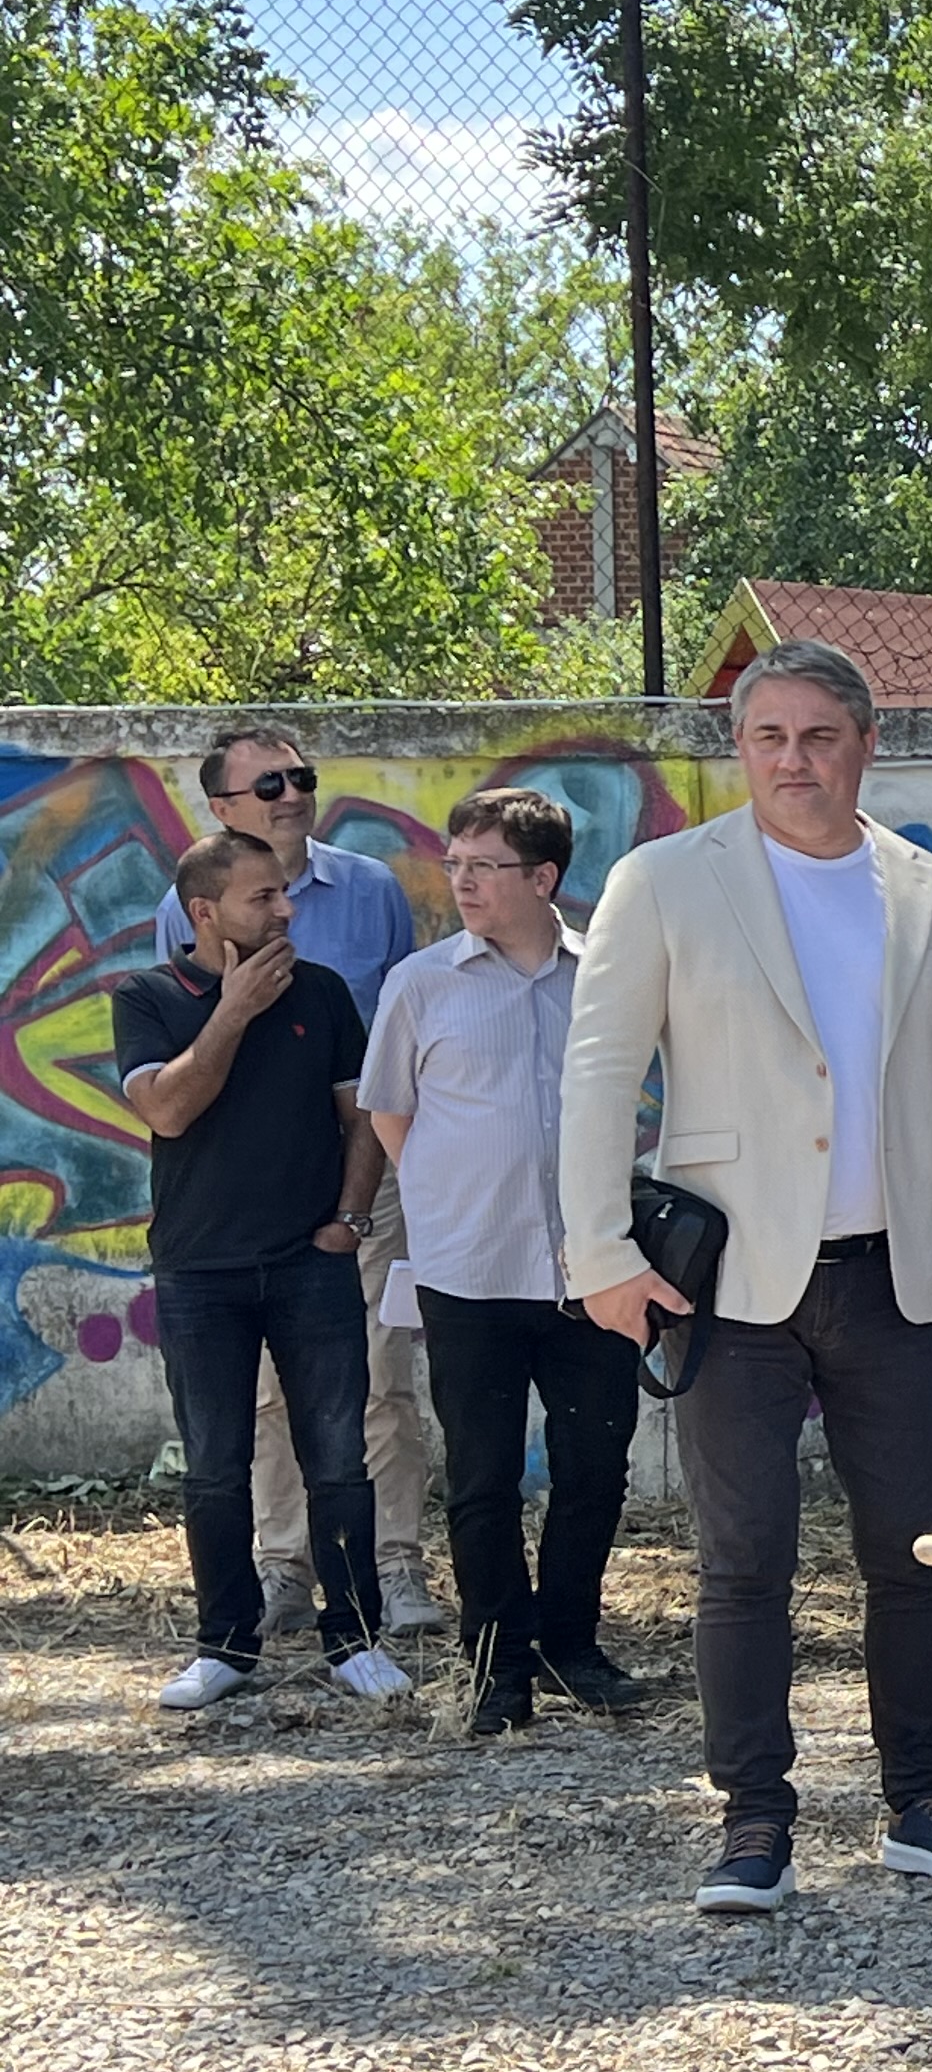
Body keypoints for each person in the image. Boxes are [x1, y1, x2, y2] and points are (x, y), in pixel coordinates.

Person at [560, 637, 932, 1914]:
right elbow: (598, 1075)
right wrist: (599, 1253)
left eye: (819, 736)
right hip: (726, 1283)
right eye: (767, 737)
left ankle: (922, 1803)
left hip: (898, 1280)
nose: (793, 761)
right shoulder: (665, 882)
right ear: (740, 750)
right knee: (743, 1560)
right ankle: (754, 1820)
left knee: (915, 1552)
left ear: (867, 744)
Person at [358, 788, 648, 1736]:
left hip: (591, 1272)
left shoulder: (607, 978)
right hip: (470, 1272)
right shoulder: (422, 984)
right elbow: (391, 1112)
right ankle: (495, 1665)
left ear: (544, 877)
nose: (463, 882)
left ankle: (571, 1644)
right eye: (456, 864)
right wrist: (455, 1194)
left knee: (593, 1468)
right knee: (482, 1478)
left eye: (485, 866)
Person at [149, 724, 440, 1643]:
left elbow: (395, 1033)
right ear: (222, 808)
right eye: (268, 784)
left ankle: (394, 1565)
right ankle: (283, 1567)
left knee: (381, 1375)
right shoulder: (187, 903)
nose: (292, 795)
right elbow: (187, 1044)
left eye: (301, 777)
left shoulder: (370, 889)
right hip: (253, 1189)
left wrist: (366, 1190)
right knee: (269, 1391)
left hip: (361, 1169)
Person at [119, 830, 417, 1712]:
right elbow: (167, 1111)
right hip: (198, 1271)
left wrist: (349, 1221)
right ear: (205, 913)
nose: (286, 910)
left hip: (309, 1264)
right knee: (215, 1466)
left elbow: (361, 1115)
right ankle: (225, 1646)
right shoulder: (147, 997)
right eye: (263, 898)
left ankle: (355, 1640)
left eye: (285, 892)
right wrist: (233, 1011)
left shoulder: (320, 993)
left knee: (339, 1459)